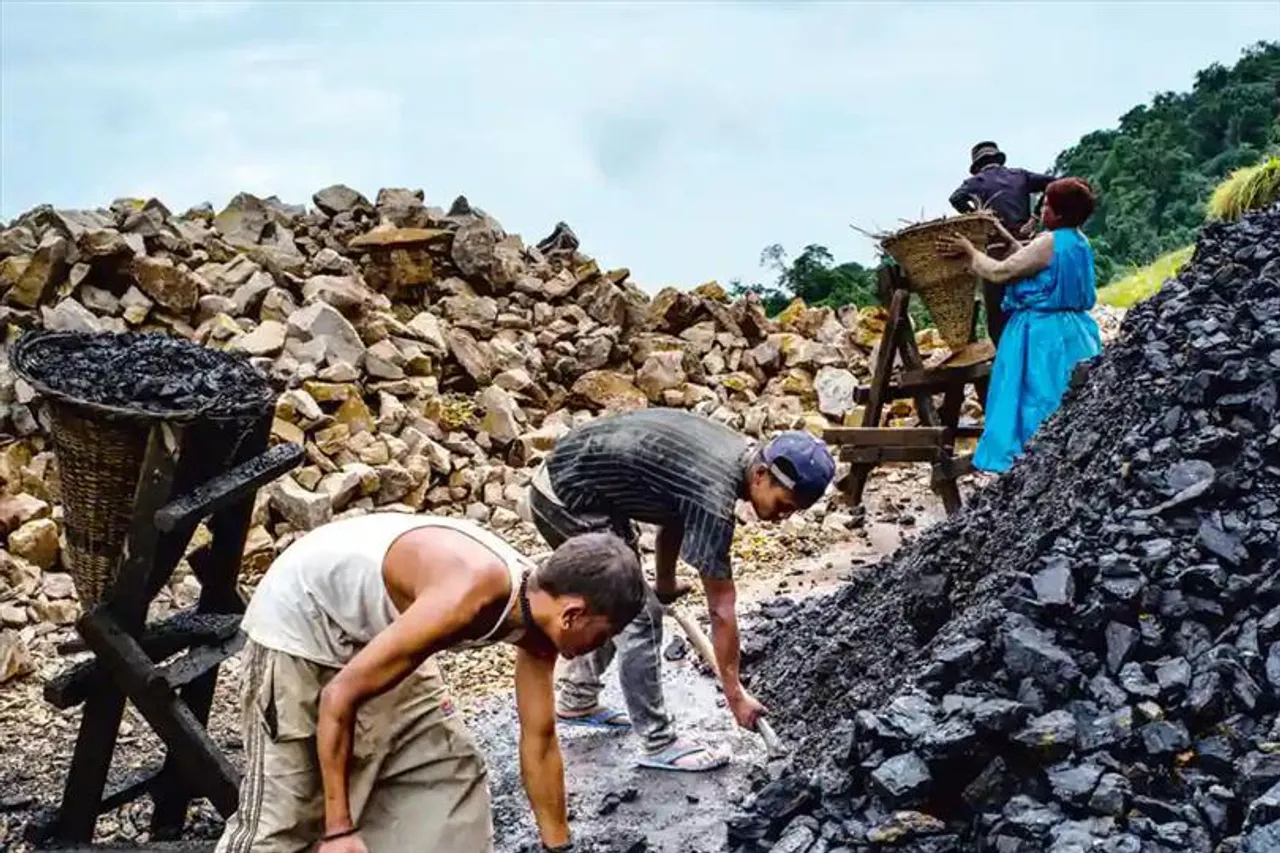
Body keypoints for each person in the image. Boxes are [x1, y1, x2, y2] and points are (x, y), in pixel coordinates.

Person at [215, 512, 647, 853]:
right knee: (287, 815)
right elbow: (338, 696)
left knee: (447, 771)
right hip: (304, 627)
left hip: (390, 629)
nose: (596, 649)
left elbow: (540, 739)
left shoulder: (540, 624)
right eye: (603, 635)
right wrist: (337, 829)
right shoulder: (467, 596)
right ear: (572, 613)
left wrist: (558, 847)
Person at [526, 408, 836, 772]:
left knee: (629, 596)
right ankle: (659, 743)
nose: (783, 517)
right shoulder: (714, 492)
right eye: (783, 505)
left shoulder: (738, 458)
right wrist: (735, 695)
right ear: (762, 475)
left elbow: (673, 513)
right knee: (638, 615)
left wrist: (665, 584)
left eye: (793, 512)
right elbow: (722, 607)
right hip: (565, 497)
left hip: (593, 491)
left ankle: (577, 698)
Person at [937, 177, 1103, 473]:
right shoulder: (1079, 240)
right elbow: (1032, 258)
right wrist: (1005, 235)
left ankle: (1035, 467)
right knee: (1070, 399)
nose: (1042, 213)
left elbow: (1000, 273)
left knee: (1036, 400)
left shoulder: (1048, 242)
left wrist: (970, 251)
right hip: (1076, 334)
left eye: (1047, 208)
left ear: (1060, 214)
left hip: (1039, 335)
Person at [949, 141, 1057, 344]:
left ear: (978, 165)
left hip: (996, 249)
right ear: (998, 159)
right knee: (1034, 296)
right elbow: (1055, 184)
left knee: (996, 306)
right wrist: (1035, 217)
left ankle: (1004, 352)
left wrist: (977, 215)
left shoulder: (976, 182)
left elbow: (955, 198)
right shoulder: (1020, 175)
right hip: (1028, 246)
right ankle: (1039, 343)